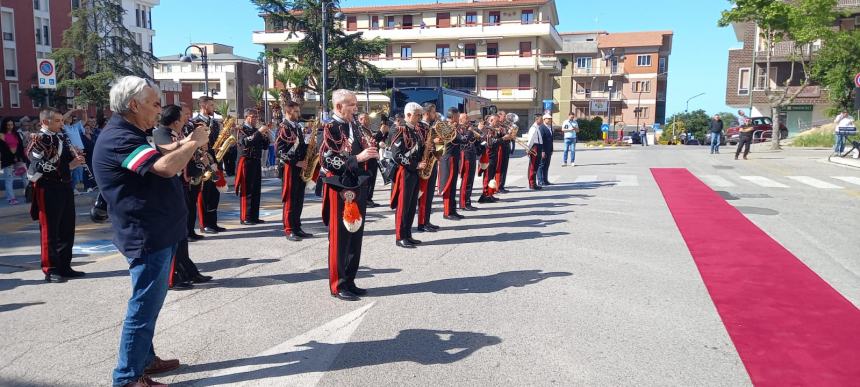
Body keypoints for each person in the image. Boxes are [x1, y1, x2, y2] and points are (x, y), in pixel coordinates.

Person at [93, 76, 208, 387]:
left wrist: (186, 142)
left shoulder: (134, 133)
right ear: (134, 105)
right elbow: (165, 167)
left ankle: (144, 359)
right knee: (143, 305)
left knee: (151, 303)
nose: (159, 110)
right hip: (146, 234)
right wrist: (194, 142)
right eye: (155, 103)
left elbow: (160, 153)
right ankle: (127, 377)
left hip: (158, 230)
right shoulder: (120, 138)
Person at [320, 89, 377, 301]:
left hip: (357, 183)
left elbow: (358, 149)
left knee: (355, 235)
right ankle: (338, 284)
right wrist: (358, 158)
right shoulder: (329, 127)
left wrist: (370, 153)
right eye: (351, 104)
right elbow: (327, 159)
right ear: (338, 107)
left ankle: (350, 280)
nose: (355, 108)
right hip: (339, 187)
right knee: (340, 237)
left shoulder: (354, 125)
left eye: (355, 103)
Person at [152, 104, 213, 290]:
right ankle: (173, 276)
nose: (187, 119)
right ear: (176, 120)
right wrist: (190, 140)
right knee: (173, 234)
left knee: (181, 232)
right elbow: (167, 150)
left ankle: (186, 268)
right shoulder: (160, 133)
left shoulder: (175, 133)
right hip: (167, 187)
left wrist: (202, 162)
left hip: (180, 183)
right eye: (184, 116)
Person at [27, 108, 86, 282]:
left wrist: (76, 156)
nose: (62, 124)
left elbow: (66, 158)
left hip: (65, 186)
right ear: (46, 122)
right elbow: (38, 165)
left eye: (62, 120)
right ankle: (50, 268)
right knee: (50, 229)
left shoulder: (60, 137)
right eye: (58, 121)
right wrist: (70, 166)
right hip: (48, 188)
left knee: (67, 228)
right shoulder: (38, 139)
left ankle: (64, 265)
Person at [390, 102, 426, 249]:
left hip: (415, 172)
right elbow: (397, 155)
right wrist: (415, 165)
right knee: (403, 205)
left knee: (411, 205)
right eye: (418, 115)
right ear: (409, 115)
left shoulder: (415, 131)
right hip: (405, 171)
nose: (419, 118)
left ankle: (408, 234)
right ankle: (400, 236)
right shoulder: (400, 130)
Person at [277, 101, 312, 241]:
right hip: (290, 168)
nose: (299, 114)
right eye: (296, 111)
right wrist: (297, 162)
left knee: (299, 199)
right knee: (290, 199)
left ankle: (297, 227)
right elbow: (280, 152)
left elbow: (301, 147)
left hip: (300, 168)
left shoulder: (297, 127)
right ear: (289, 111)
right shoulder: (283, 127)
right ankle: (289, 229)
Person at [193, 96, 226, 234]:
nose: (214, 107)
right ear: (204, 105)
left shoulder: (214, 122)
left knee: (214, 193)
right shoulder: (195, 122)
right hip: (205, 160)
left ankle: (213, 222)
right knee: (204, 193)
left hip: (216, 160)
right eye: (212, 105)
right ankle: (204, 224)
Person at [235, 108, 270, 225]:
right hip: (246, 161)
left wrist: (266, 135)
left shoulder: (256, 130)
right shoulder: (241, 129)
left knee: (256, 190)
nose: (255, 119)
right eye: (252, 116)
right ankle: (245, 217)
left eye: (256, 117)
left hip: (256, 161)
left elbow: (265, 146)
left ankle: (254, 216)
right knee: (247, 190)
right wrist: (259, 133)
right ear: (246, 117)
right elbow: (245, 142)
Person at [416, 104, 440, 232]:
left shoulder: (430, 126)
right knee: (424, 196)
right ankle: (421, 223)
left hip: (431, 162)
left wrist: (435, 148)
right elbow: (417, 144)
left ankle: (427, 220)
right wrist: (427, 145)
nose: (435, 114)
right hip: (423, 164)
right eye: (433, 112)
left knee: (429, 195)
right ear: (427, 113)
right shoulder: (419, 126)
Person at [357, 112, 387, 207]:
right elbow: (368, 141)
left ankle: (369, 198)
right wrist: (380, 133)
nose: (366, 120)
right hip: (366, 158)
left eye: (367, 118)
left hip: (372, 156)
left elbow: (372, 140)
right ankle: (365, 200)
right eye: (364, 119)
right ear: (360, 120)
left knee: (372, 179)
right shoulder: (360, 129)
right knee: (368, 179)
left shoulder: (367, 129)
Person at [439, 107, 464, 220]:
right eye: (458, 116)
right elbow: (460, 139)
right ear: (453, 116)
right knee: (448, 186)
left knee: (453, 186)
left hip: (454, 158)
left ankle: (453, 210)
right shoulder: (445, 127)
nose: (459, 119)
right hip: (448, 159)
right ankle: (447, 212)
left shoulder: (454, 127)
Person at [1, 118, 28, 205]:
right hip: (8, 161)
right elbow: (3, 150)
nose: (10, 127)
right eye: (8, 125)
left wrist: (22, 158)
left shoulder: (16, 134)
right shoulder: (1, 135)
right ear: (5, 125)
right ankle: (11, 198)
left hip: (19, 160)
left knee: (25, 178)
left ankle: (29, 195)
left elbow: (20, 147)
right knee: (9, 180)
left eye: (11, 125)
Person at [477, 114, 503, 203]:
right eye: (497, 121)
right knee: (487, 176)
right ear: (491, 121)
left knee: (492, 176)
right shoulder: (488, 129)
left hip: (494, 155)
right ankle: (485, 194)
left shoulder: (494, 129)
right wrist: (503, 138)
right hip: (488, 156)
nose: (498, 122)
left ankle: (490, 193)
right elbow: (490, 143)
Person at [457, 113, 480, 211]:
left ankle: (468, 201)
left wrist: (477, 134)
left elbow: (476, 141)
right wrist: (470, 132)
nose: (468, 120)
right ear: (460, 120)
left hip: (472, 155)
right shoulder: (459, 129)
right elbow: (463, 141)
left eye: (468, 118)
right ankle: (463, 203)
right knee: (466, 180)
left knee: (470, 180)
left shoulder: (468, 129)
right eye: (465, 118)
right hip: (465, 156)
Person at [62, 109, 87, 195]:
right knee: (73, 172)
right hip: (71, 152)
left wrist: (84, 112)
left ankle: (73, 188)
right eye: (68, 117)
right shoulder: (63, 127)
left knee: (78, 172)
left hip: (80, 151)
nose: (70, 118)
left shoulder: (75, 126)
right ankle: (71, 189)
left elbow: (84, 120)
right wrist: (72, 110)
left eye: (71, 117)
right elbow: (61, 119)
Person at [495, 110, 512, 193]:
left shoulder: (505, 125)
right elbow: (499, 137)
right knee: (500, 167)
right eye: (504, 116)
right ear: (499, 116)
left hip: (506, 147)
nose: (505, 118)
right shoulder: (497, 125)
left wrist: (511, 133)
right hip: (500, 148)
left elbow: (509, 136)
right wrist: (506, 136)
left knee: (504, 168)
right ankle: (498, 186)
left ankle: (502, 185)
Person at [526, 114, 544, 190]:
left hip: (538, 147)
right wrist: (528, 148)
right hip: (534, 147)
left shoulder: (537, 127)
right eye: (541, 119)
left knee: (536, 166)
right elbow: (530, 140)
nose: (542, 120)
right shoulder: (533, 128)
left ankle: (534, 183)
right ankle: (532, 184)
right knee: (533, 166)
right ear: (536, 120)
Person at [537, 114, 554, 185]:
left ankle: (545, 180)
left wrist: (552, 149)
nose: (549, 120)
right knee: (541, 165)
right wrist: (542, 151)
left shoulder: (550, 127)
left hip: (549, 149)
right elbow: (541, 140)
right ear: (544, 119)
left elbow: (550, 139)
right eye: (548, 118)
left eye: (550, 118)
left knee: (546, 165)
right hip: (543, 150)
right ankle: (540, 181)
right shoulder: (542, 127)